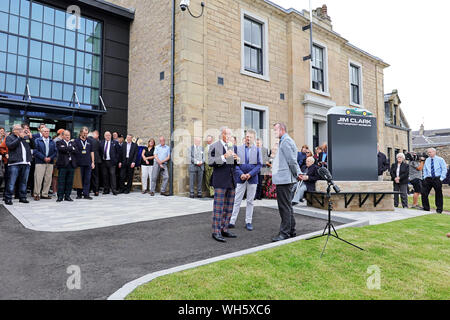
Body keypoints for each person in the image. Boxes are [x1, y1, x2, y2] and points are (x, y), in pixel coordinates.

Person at [271, 123, 302, 242]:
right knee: (287, 206)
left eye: (275, 130)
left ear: (282, 130)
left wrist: (297, 174)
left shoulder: (286, 141)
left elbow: (292, 161)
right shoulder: (284, 141)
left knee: (284, 207)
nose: (274, 132)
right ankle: (291, 230)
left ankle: (284, 233)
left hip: (285, 180)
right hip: (284, 179)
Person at [208, 127, 239, 242]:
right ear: (223, 135)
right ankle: (216, 232)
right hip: (220, 181)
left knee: (229, 208)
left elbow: (234, 165)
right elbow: (210, 162)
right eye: (229, 135)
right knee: (218, 208)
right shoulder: (215, 146)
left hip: (231, 181)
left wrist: (237, 159)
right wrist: (224, 156)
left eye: (231, 135)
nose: (230, 137)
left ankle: (224, 229)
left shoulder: (232, 146)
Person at [229, 130, 261, 231]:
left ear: (254, 138)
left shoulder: (258, 150)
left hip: (252, 178)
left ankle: (248, 221)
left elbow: (259, 165)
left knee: (250, 201)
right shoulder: (237, 149)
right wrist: (241, 174)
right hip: (240, 177)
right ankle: (232, 221)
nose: (248, 139)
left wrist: (249, 174)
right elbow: (234, 164)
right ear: (245, 137)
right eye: (247, 137)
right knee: (237, 200)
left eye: (250, 137)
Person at [4, 125, 33, 205]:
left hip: (26, 162)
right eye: (19, 129)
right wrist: (19, 138)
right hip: (14, 163)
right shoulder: (10, 137)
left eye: (21, 129)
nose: (21, 130)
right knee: (11, 182)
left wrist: (31, 138)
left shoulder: (25, 137)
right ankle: (8, 198)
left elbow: (34, 146)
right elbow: (11, 146)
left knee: (24, 182)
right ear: (14, 130)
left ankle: (22, 197)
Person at [33, 127, 57, 201]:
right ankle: (36, 194)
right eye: (45, 131)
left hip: (50, 162)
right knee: (38, 179)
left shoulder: (52, 141)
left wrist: (50, 158)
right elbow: (35, 151)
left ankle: (45, 194)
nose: (47, 132)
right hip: (40, 162)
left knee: (48, 179)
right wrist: (44, 158)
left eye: (48, 131)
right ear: (42, 132)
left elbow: (55, 151)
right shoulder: (37, 140)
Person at [421, 148, 448, 214]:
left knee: (438, 194)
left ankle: (439, 209)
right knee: (424, 193)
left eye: (430, 152)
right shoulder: (427, 160)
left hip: (437, 178)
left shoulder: (440, 159)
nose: (429, 153)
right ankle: (426, 208)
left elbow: (444, 169)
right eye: (428, 152)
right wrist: (425, 177)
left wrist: (441, 178)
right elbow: (425, 169)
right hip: (428, 179)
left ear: (434, 152)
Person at [73, 127, 95, 200]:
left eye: (86, 133)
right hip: (79, 164)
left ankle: (86, 194)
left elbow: (92, 152)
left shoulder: (90, 141)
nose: (85, 134)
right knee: (80, 179)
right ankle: (79, 194)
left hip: (88, 163)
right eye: (84, 133)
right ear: (80, 133)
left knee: (87, 179)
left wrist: (93, 162)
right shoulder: (76, 141)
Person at [55, 130, 77, 202]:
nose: (68, 136)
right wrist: (71, 148)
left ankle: (67, 196)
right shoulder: (59, 142)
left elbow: (76, 151)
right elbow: (61, 149)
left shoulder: (73, 142)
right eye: (66, 135)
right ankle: (60, 197)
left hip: (71, 165)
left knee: (69, 182)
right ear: (63, 136)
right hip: (63, 165)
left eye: (69, 135)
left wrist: (68, 149)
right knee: (61, 182)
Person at [99, 131, 120, 195]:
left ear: (111, 136)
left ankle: (114, 190)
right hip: (104, 162)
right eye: (106, 135)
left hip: (111, 162)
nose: (108, 137)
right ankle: (106, 190)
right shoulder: (101, 143)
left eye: (109, 135)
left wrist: (116, 160)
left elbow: (118, 153)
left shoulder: (115, 143)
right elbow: (100, 152)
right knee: (105, 176)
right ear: (104, 136)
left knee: (112, 176)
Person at [88, 130, 102, 196]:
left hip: (88, 160)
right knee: (96, 176)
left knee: (88, 175)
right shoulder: (97, 141)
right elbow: (101, 150)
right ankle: (96, 190)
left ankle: (87, 190)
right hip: (96, 160)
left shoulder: (87, 141)